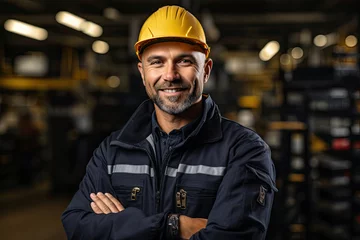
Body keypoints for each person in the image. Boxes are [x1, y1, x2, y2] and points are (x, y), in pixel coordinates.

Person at [61, 5, 278, 240]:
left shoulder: (243, 150)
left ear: (206, 70)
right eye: (157, 62)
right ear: (142, 73)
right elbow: (78, 225)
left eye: (184, 61)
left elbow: (234, 237)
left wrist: (123, 226)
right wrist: (172, 226)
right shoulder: (112, 151)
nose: (170, 75)